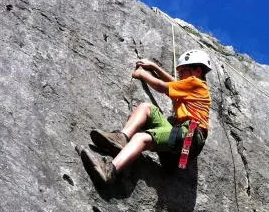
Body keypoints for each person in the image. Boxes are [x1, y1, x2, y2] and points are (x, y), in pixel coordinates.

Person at [80, 49, 212, 183]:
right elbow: (172, 83)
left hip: (189, 135)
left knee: (140, 138)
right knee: (147, 107)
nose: (180, 74)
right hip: (180, 148)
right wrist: (154, 67)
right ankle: (121, 138)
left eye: (183, 71)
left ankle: (110, 171)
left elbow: (162, 86)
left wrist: (142, 73)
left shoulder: (195, 83)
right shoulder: (194, 88)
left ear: (197, 71)